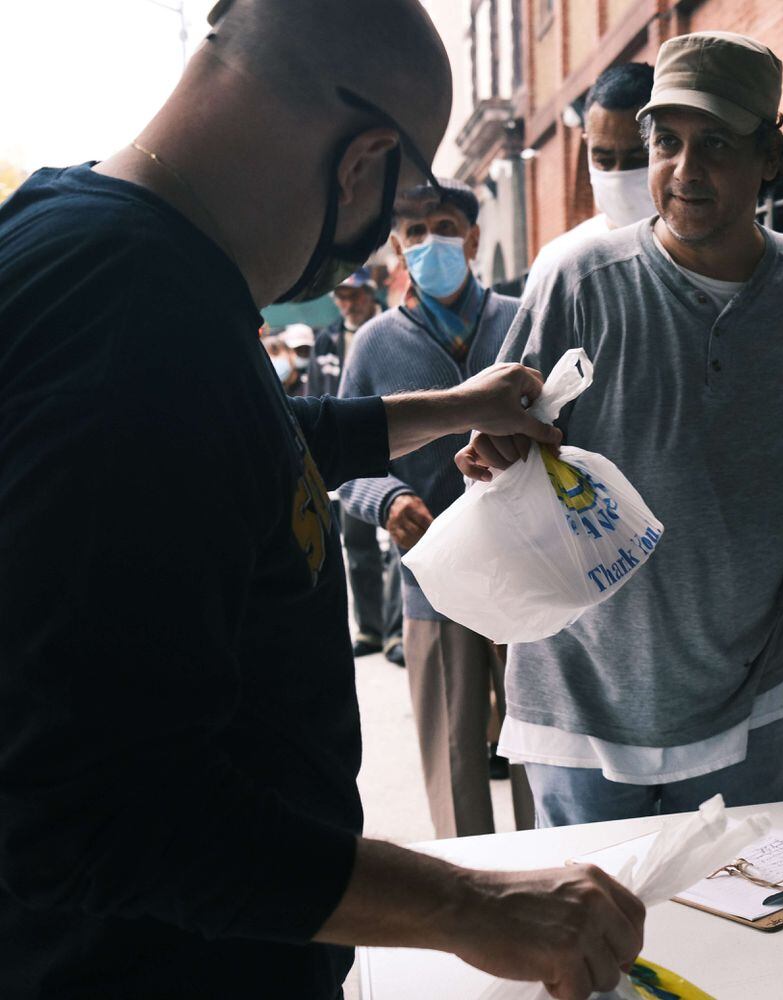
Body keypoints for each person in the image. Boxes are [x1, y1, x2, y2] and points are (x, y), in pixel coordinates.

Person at [0, 3, 643, 998]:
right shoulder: (129, 318)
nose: (375, 247)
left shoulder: (116, 253)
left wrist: (445, 407)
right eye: (397, 209)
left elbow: (241, 445)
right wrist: (475, 907)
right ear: (364, 160)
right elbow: (95, 801)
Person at [460, 31, 783, 829]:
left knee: (741, 928)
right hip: (582, 690)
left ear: (771, 157)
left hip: (751, 689)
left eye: (715, 144)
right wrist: (497, 454)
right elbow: (505, 438)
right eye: (667, 142)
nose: (684, 169)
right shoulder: (577, 281)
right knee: (592, 943)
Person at [338, 177, 527, 839]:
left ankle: (556, 874)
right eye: (414, 233)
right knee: (454, 759)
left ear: (473, 238)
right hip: (432, 582)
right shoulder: (374, 346)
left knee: (541, 750)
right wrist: (388, 499)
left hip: (530, 573)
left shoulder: (521, 320)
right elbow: (342, 466)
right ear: (396, 248)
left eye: (443, 226)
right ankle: (476, 892)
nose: (429, 243)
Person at [312, 267, 405, 663]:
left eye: (355, 296)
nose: (349, 304)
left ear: (370, 294)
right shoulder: (328, 340)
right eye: (342, 297)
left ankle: (396, 630)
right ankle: (369, 627)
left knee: (400, 537)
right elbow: (315, 393)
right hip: (344, 453)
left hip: (388, 442)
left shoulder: (392, 329)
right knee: (357, 542)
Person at [523, 62, 655, 295]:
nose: (618, 174)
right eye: (603, 160)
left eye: (637, 159)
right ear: (587, 144)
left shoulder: (714, 257)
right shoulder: (558, 265)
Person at [281, 322, 316, 395]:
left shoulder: (316, 374)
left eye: (306, 349)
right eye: (298, 349)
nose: (303, 353)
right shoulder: (281, 374)